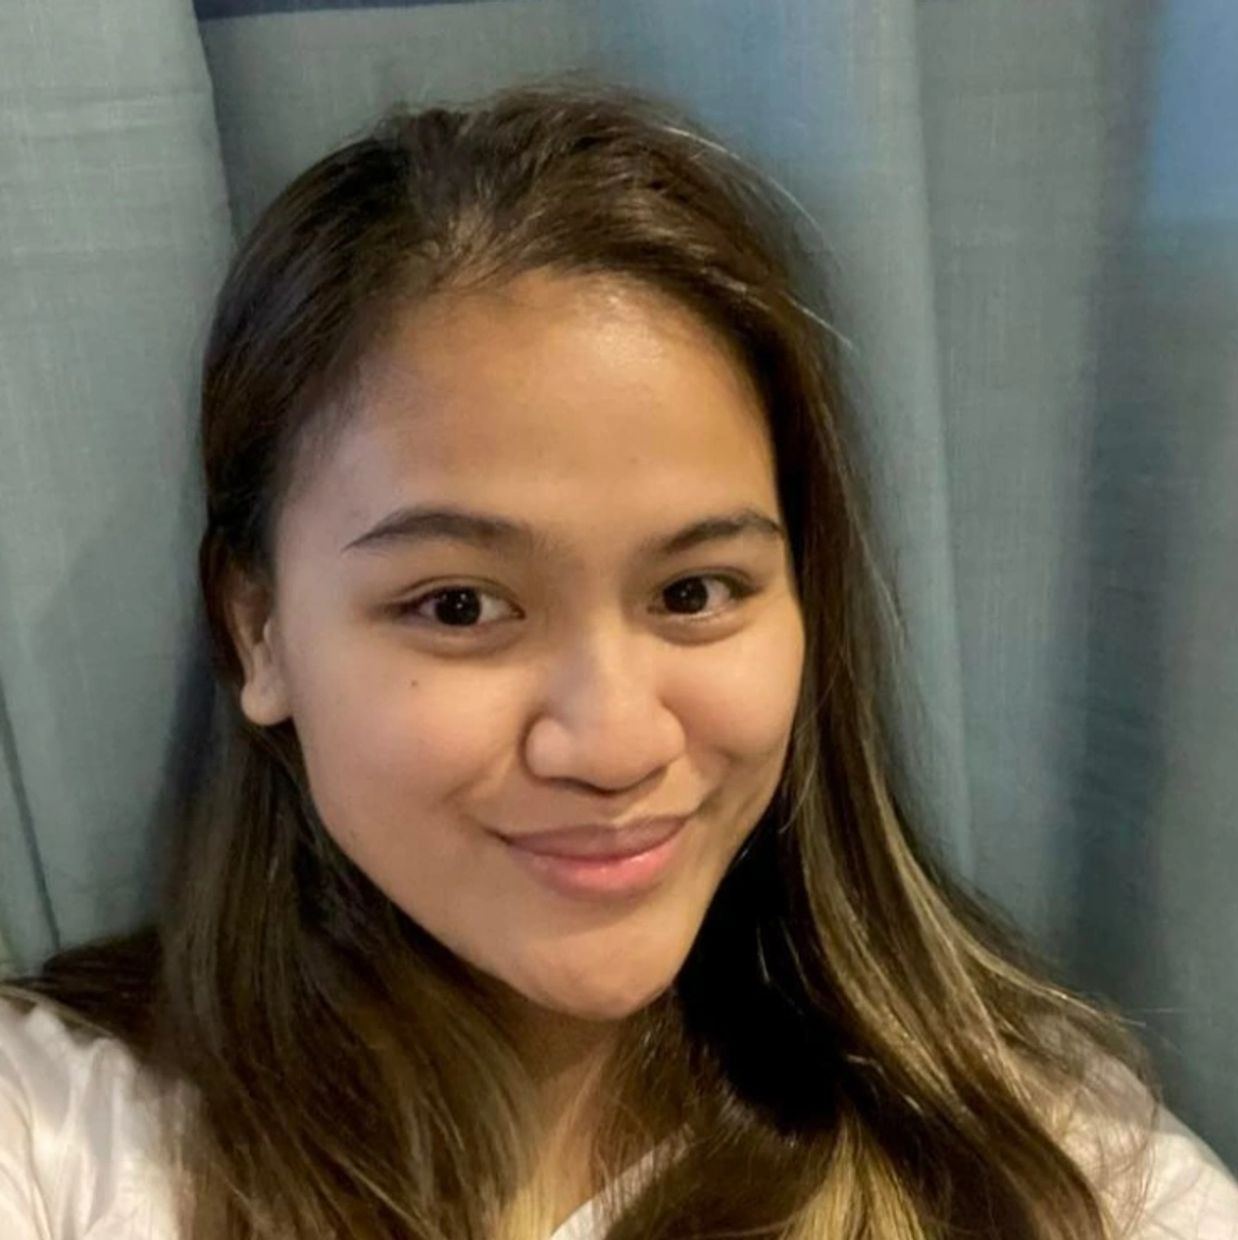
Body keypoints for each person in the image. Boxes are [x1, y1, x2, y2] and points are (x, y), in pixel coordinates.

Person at [1, 77, 1236, 1240]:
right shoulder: (58, 1137)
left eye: (693, 592)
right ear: (257, 630)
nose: (613, 745)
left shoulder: (1042, 1156)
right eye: (459, 606)